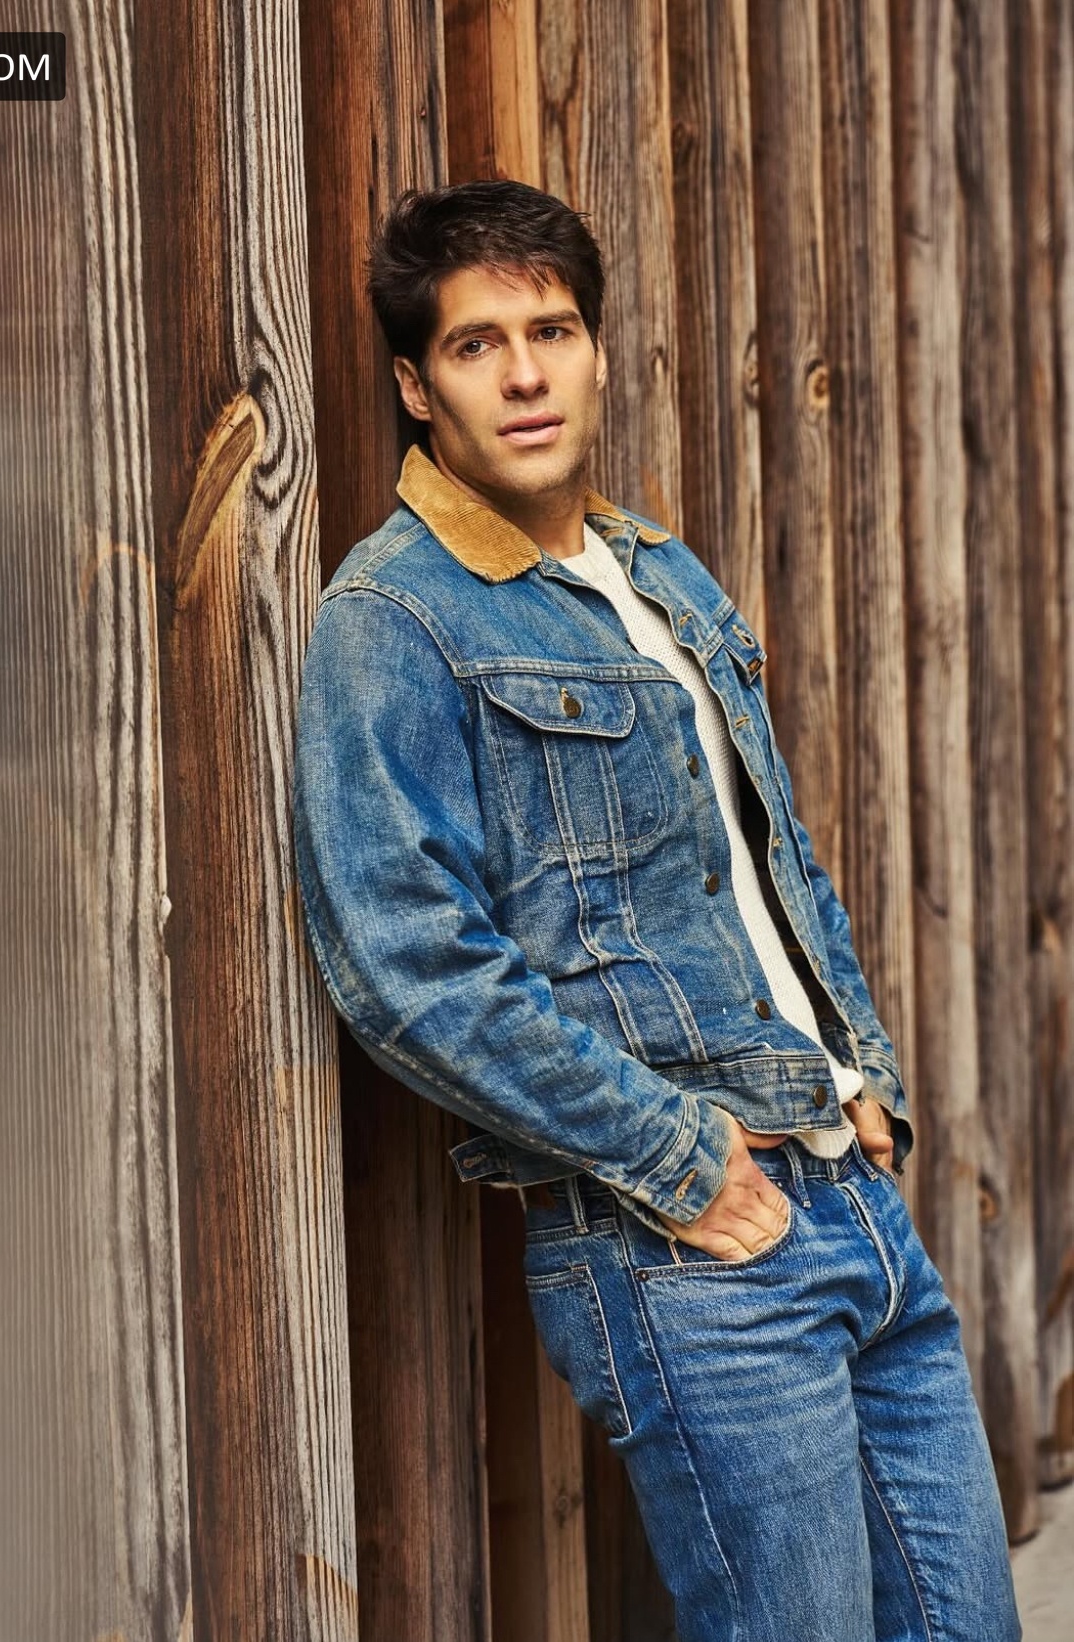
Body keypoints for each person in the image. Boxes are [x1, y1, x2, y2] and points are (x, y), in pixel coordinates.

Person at [292, 179, 1019, 1642]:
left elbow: (771, 855)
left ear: (598, 350)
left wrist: (863, 1074)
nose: (524, 374)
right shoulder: (396, 616)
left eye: (551, 331)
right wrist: (678, 1160)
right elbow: (408, 966)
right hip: (685, 1239)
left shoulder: (656, 570)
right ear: (417, 387)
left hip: (849, 1197)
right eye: (477, 345)